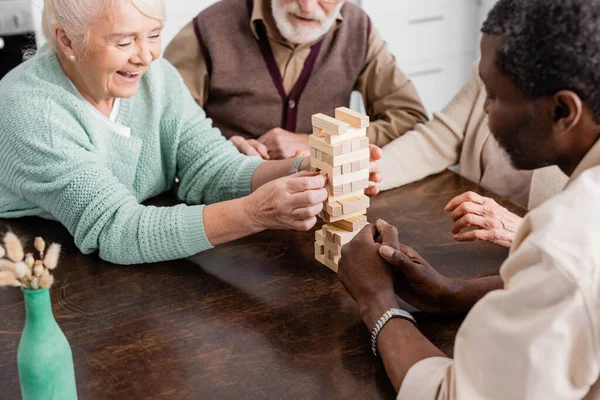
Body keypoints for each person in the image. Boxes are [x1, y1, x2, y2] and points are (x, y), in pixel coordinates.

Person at [339, 0, 600, 398]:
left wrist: (377, 301)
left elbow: (455, 394)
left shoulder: (568, 241)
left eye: (493, 98)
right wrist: (450, 294)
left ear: (563, 110)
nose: (485, 111)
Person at [0, 0, 382, 265]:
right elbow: (117, 230)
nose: (146, 55)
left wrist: (304, 167)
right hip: (41, 277)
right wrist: (255, 213)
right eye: (124, 41)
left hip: (145, 270)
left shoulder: (157, 78)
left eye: (153, 34)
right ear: (66, 39)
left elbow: (210, 166)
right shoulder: (31, 109)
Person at [163, 0, 428, 159]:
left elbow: (410, 118)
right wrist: (220, 150)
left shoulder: (360, 29)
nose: (307, 7)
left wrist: (317, 142)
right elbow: (163, 132)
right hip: (230, 200)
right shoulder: (209, 28)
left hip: (321, 203)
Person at [378, 62, 569, 248]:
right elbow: (436, 140)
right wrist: (369, 171)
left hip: (540, 262)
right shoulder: (491, 65)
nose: (487, 107)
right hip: (470, 243)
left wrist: (523, 232)